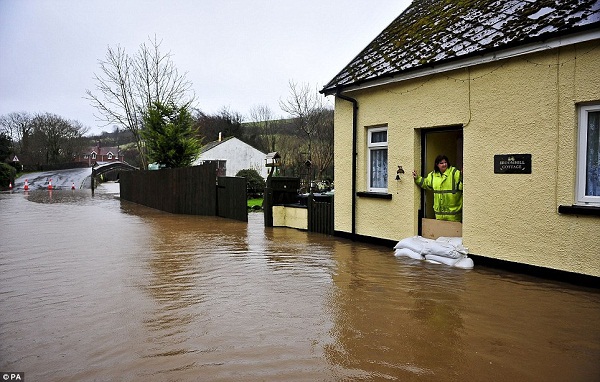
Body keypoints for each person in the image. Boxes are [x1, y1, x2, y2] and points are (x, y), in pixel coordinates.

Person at [412, 154, 463, 222]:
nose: (444, 164)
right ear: (437, 165)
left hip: (454, 215)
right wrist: (417, 178)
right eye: (441, 163)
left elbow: (462, 186)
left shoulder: (454, 172)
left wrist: (463, 176)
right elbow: (425, 183)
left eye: (445, 162)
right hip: (439, 215)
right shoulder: (433, 175)